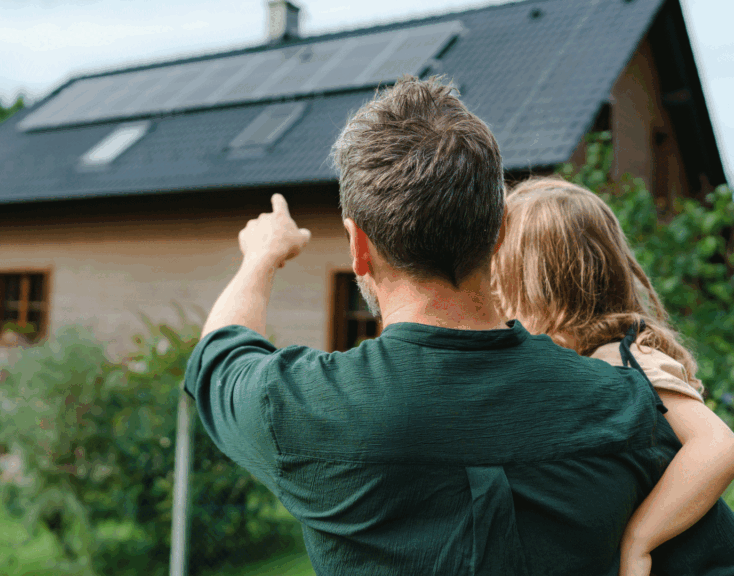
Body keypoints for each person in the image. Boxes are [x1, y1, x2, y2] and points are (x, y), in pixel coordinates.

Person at [182, 75, 734, 575]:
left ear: (358, 247)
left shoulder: (300, 407)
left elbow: (219, 355)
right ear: (497, 236)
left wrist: (262, 256)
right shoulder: (630, 408)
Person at [490, 176, 734, 576]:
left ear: (540, 286)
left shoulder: (623, 358)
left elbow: (718, 444)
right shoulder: (587, 360)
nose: (499, 299)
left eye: (503, 282)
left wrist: (640, 539)